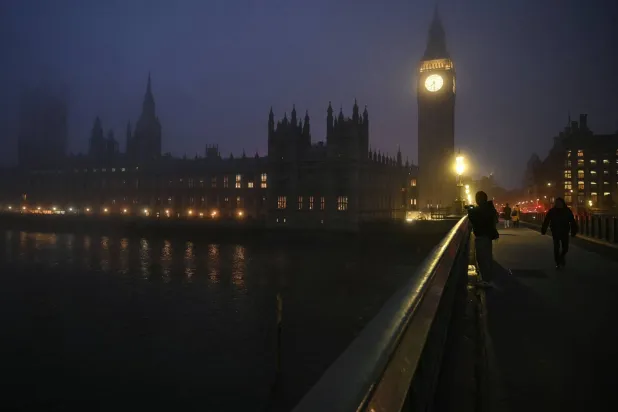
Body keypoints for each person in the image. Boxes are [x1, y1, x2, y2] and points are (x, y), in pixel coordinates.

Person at [468, 191, 499, 287]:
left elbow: (475, 219)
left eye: (477, 198)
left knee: (482, 258)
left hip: (482, 236)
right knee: (487, 257)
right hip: (487, 236)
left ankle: (486, 280)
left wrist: (470, 210)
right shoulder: (488, 208)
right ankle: (487, 279)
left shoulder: (483, 209)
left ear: (480, 199)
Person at [541, 197, 578, 269]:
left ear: (562, 203)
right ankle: (557, 262)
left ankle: (561, 257)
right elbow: (546, 221)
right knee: (556, 248)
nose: (558, 204)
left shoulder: (567, 211)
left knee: (565, 248)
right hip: (555, 231)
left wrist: (574, 231)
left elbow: (572, 221)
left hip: (565, 231)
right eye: (557, 203)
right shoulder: (552, 211)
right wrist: (543, 229)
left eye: (559, 203)